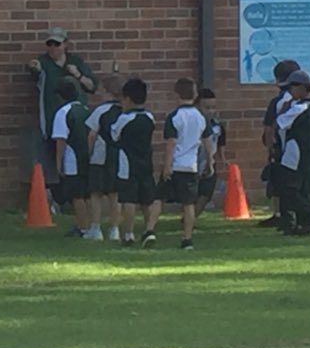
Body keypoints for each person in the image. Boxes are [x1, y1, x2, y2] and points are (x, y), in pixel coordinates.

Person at [26, 26, 97, 207]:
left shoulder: (75, 62)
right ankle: (59, 200)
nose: (53, 48)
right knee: (54, 160)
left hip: (77, 119)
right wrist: (34, 68)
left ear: (65, 44)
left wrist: (77, 75)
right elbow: (36, 72)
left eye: (56, 44)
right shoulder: (44, 63)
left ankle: (79, 199)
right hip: (53, 119)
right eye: (49, 44)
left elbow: (92, 86)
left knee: (79, 158)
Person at [160, 78, 214, 250]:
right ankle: (187, 238)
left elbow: (171, 143)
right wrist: (210, 162)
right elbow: (208, 142)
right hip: (191, 165)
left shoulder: (174, 116)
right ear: (195, 94)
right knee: (188, 203)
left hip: (175, 163)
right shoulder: (201, 117)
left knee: (157, 197)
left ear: (176, 94)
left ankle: (149, 230)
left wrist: (166, 165)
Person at [275, 70, 310, 236]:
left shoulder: (297, 109)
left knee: (288, 189)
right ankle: (303, 224)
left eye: (292, 87)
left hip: (293, 153)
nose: (290, 91)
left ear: (302, 88)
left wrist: (284, 109)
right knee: (303, 188)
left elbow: (279, 124)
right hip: (309, 153)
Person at [110, 78, 157, 247]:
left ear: (128, 99)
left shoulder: (124, 119)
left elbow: (114, 136)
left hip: (127, 162)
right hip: (146, 161)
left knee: (128, 199)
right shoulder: (150, 118)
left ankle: (129, 234)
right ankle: (148, 230)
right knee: (147, 199)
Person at [259, 59, 301, 228]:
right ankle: (290, 213)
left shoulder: (279, 101)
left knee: (280, 181)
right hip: (299, 145)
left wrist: (270, 148)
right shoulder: (301, 99)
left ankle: (282, 213)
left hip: (282, 146)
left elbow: (269, 128)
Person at [84, 74, 125, 241]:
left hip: (100, 156)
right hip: (119, 157)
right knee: (115, 194)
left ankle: (96, 227)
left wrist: (88, 152)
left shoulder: (101, 111)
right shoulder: (124, 111)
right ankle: (114, 229)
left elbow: (92, 134)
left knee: (96, 193)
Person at [50, 78, 93, 238]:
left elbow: (60, 141)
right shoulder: (84, 109)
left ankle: (83, 227)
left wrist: (58, 164)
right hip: (88, 156)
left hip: (72, 158)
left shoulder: (63, 113)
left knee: (77, 195)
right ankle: (91, 224)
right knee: (88, 194)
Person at [195, 88, 227, 217]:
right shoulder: (194, 123)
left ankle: (191, 216)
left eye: (213, 107)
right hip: (194, 160)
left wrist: (222, 158)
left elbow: (221, 142)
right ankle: (188, 216)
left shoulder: (217, 125)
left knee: (206, 192)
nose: (210, 111)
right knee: (191, 193)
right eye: (206, 107)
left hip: (209, 161)